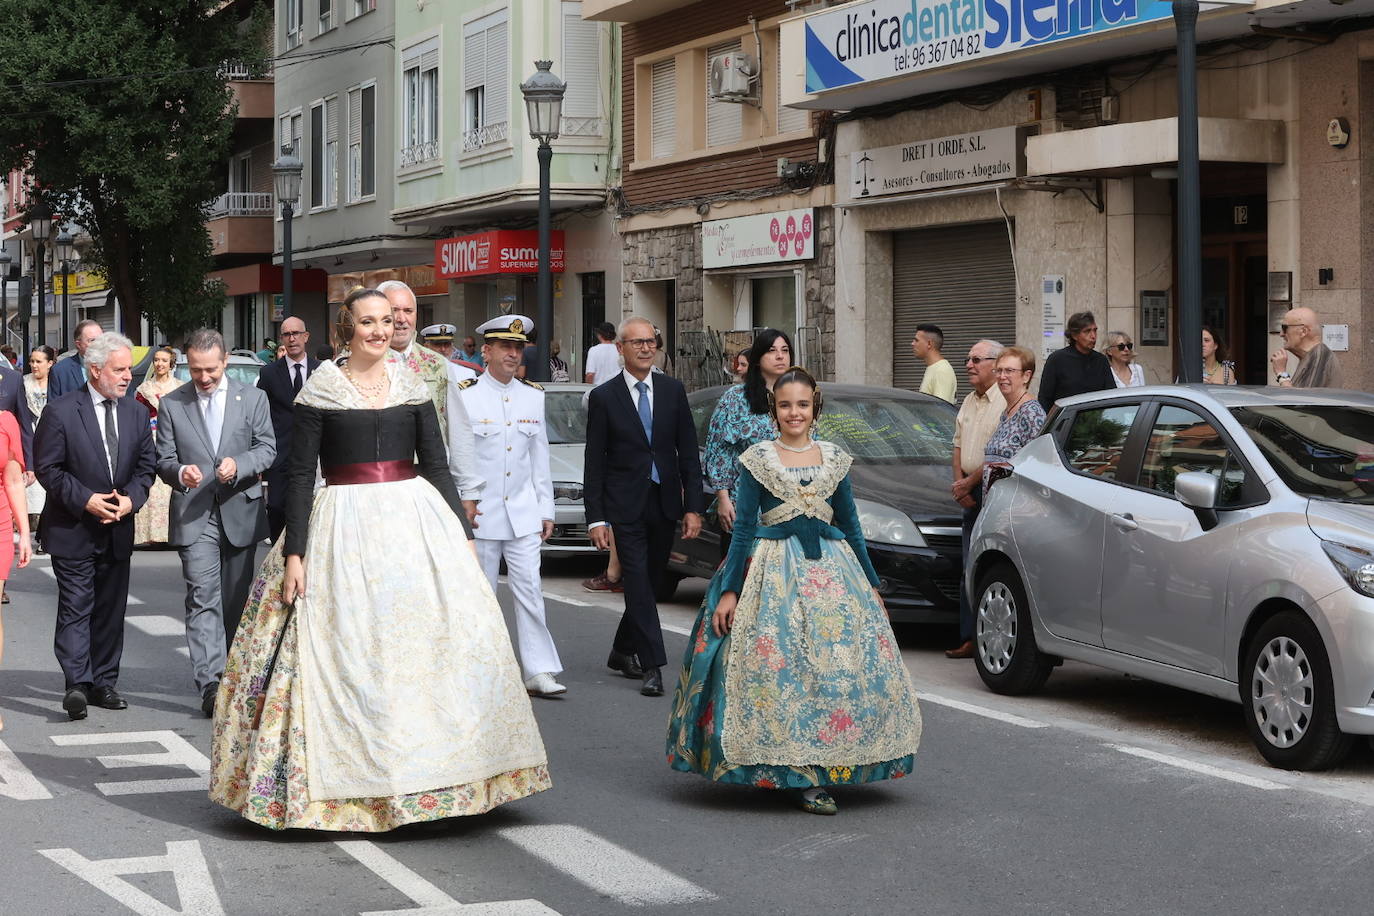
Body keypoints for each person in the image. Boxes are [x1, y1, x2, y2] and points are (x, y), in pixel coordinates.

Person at [209, 288, 549, 831]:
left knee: (427, 650)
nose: (379, 331)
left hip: (415, 521)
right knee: (354, 651)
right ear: (348, 329)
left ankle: (438, 779)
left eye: (387, 322)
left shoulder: (414, 385)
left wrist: (462, 537)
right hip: (342, 523)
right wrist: (295, 553)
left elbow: (437, 466)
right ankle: (348, 786)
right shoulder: (321, 388)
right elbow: (299, 475)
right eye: (368, 322)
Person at [667, 366, 922, 815]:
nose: (794, 413)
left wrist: (871, 583)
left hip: (834, 576)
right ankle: (787, 769)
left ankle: (830, 766)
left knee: (835, 671)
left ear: (814, 406)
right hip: (771, 574)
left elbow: (851, 526)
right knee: (781, 669)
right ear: (774, 409)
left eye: (802, 404)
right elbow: (743, 530)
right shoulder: (758, 459)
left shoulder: (835, 458)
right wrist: (729, 592)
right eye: (785, 405)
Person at [34, 332, 156, 721]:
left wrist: (130, 499)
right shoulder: (62, 411)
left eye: (129, 370)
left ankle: (104, 681)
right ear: (95, 370)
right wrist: (85, 499)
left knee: (110, 609)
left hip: (117, 526)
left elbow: (146, 468)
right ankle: (76, 683)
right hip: (73, 526)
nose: (127, 377)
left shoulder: (136, 413)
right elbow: (48, 469)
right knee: (76, 606)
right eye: (119, 370)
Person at [156, 329, 276, 718]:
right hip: (196, 515)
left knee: (237, 601)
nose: (203, 377)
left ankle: (237, 675)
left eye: (210, 369)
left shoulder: (253, 398)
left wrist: (240, 465)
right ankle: (211, 683)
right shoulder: (172, 404)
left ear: (225, 362)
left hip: (241, 509)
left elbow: (267, 448)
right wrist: (179, 472)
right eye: (195, 370)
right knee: (201, 596)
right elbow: (163, 460)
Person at [584, 316, 705, 697]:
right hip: (624, 504)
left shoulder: (673, 390)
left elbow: (687, 453)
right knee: (635, 578)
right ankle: (653, 664)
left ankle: (622, 650)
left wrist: (694, 508)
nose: (646, 347)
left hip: (665, 500)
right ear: (620, 349)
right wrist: (597, 518)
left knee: (650, 583)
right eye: (636, 342)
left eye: (651, 341)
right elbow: (595, 463)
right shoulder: (604, 397)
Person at [456, 314, 564, 698]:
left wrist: (546, 510)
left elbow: (540, 460)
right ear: (486, 351)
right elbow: (461, 459)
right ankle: (479, 669)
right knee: (480, 595)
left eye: (518, 348)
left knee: (530, 592)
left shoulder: (533, 395)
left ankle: (539, 670)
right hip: (481, 515)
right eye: (505, 347)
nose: (513, 354)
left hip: (522, 513)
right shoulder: (466, 395)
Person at [704, 329, 794, 555]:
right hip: (743, 504)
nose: (780, 356)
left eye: (785, 351)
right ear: (758, 359)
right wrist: (723, 498)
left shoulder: (799, 396)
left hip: (790, 506)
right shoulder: (736, 398)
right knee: (741, 577)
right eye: (772, 351)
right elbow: (718, 451)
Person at [945, 339, 1005, 660]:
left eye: (976, 359)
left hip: (992, 494)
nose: (968, 364)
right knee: (967, 568)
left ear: (995, 365)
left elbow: (1000, 452)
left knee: (990, 569)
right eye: (967, 359)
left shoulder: (1005, 403)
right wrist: (959, 484)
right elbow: (957, 446)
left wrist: (970, 482)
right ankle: (968, 637)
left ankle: (989, 639)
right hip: (969, 494)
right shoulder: (968, 400)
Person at [257, 316, 320, 542]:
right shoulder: (269, 374)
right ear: (281, 339)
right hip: (280, 454)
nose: (292, 339)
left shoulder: (322, 371)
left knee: (313, 510)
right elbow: (260, 415)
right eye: (287, 334)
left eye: (296, 333)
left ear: (306, 336)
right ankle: (277, 559)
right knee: (276, 508)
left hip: (315, 454)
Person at [378, 280, 461, 435]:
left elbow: (458, 429)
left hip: (430, 458)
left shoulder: (439, 364)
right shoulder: (359, 364)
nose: (401, 318)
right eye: (394, 310)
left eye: (408, 311)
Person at [133, 346, 182, 546]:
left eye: (164, 360)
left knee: (170, 486)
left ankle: (171, 533)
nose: (159, 364)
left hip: (174, 438)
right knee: (152, 486)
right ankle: (149, 534)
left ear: (171, 364)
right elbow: (137, 417)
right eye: (156, 360)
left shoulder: (180, 388)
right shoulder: (144, 389)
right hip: (150, 438)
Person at [984, 346, 1048, 495]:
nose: (1002, 376)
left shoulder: (1031, 413)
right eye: (998, 370)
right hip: (998, 503)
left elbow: (1042, 465)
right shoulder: (1007, 412)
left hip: (1016, 507)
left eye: (1009, 371)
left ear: (1026, 376)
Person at [1037, 311, 1114, 410]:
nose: (1093, 336)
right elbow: (1045, 398)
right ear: (1074, 335)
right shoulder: (1057, 359)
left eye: (1095, 330)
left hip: (1095, 420)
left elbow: (1111, 395)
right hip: (1067, 420)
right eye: (1087, 331)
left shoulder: (1101, 360)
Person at [23, 345, 54, 552]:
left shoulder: (56, 385)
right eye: (32, 361)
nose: (34, 365)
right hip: (29, 435)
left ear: (50, 363)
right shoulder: (23, 383)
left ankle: (45, 534)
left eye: (39, 361)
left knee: (50, 489)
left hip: (51, 437)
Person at [1271, 307, 1340, 388]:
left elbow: (1301, 399)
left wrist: (1281, 373)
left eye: (1285, 328)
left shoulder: (1319, 356)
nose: (1281, 334)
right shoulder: (1312, 356)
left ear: (1303, 331)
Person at [47, 320, 103, 400]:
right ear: (78, 344)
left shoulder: (115, 366)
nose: (99, 344)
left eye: (101, 339)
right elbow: (54, 408)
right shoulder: (60, 371)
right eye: (92, 340)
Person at [912, 323, 957, 403]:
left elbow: (941, 410)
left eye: (916, 340)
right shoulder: (934, 368)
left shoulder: (942, 370)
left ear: (929, 344)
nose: (912, 343)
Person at [584, 322, 620, 386]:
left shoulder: (594, 350)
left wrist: (588, 388)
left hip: (598, 388)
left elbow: (590, 374)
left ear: (599, 335)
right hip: (616, 388)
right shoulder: (619, 350)